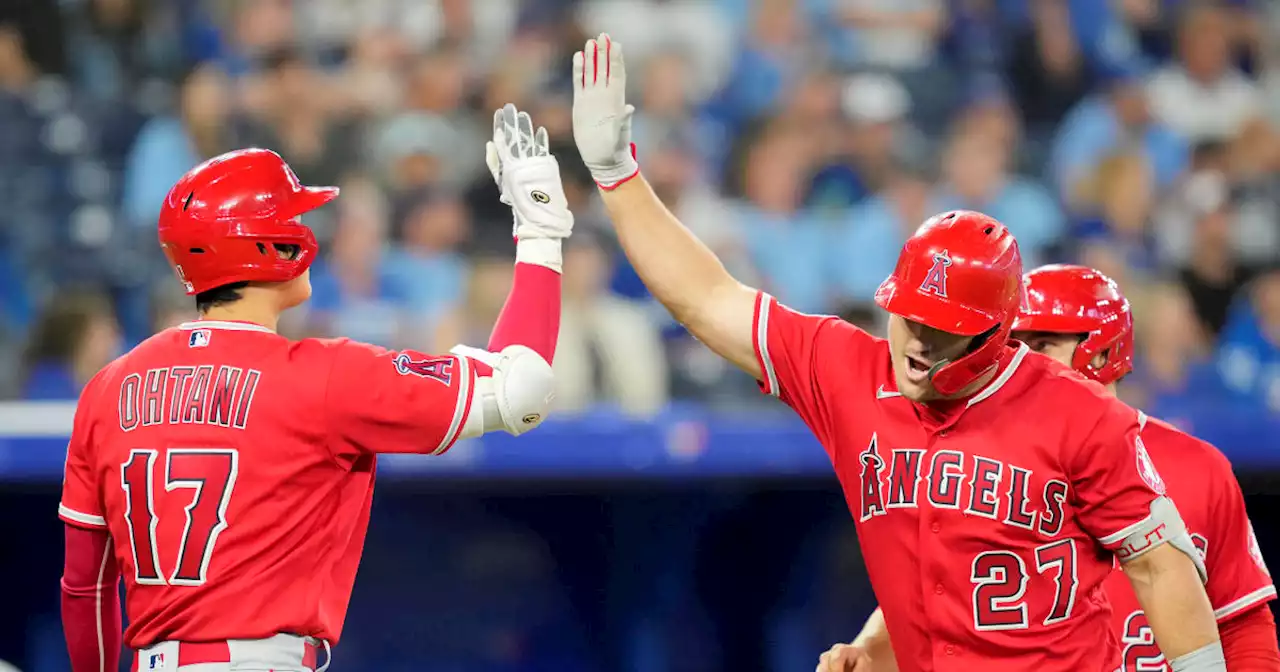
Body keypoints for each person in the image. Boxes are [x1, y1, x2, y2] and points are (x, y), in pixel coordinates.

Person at [569, 33, 1224, 671]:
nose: (916, 340)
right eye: (908, 317)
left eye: (942, 326)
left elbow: (1161, 567)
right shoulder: (848, 368)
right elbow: (707, 299)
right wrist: (617, 175)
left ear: (996, 331)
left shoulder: (1077, 412)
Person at [58, 103, 571, 672]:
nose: (306, 230)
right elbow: (522, 388)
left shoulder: (108, 386)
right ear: (260, 244)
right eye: (291, 220)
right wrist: (541, 231)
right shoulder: (323, 374)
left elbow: (86, 589)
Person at [825, 265, 1280, 672]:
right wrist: (870, 648)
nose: (1015, 361)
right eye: (1008, 343)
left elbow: (1243, 625)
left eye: (1040, 344)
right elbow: (931, 590)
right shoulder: (975, 458)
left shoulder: (1198, 468)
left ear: (1102, 353)